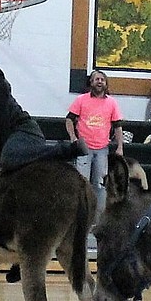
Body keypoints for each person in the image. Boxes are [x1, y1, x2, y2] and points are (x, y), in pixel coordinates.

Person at [0, 38, 87, 172]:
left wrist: (0, 163)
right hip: (5, 138)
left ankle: (69, 149)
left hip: (23, 132)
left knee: (9, 158)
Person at [66, 70, 124, 214]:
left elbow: (117, 126)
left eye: (102, 80)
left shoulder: (112, 103)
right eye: (96, 79)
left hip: (102, 149)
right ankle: (79, 215)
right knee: (81, 183)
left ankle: (97, 219)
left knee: (100, 185)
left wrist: (120, 147)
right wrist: (73, 137)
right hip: (84, 148)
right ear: (91, 83)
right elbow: (69, 119)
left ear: (105, 83)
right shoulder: (81, 99)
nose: (99, 82)